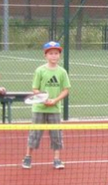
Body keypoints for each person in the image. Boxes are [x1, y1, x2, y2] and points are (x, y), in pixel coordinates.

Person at [22, 41, 71, 170]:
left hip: (54, 109)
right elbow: (35, 89)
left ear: (59, 55)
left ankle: (57, 159)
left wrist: (55, 100)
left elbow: (66, 90)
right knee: (35, 133)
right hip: (39, 108)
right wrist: (43, 99)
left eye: (56, 53)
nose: (54, 56)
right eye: (51, 53)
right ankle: (27, 157)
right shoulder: (40, 70)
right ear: (45, 55)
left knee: (56, 134)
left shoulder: (62, 72)